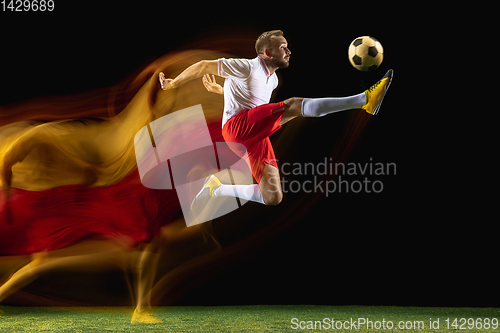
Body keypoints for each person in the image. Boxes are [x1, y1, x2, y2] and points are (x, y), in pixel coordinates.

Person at [159, 30, 393, 210]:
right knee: (292, 105)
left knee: (272, 197)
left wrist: (222, 92)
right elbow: (202, 66)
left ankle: (217, 189)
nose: (288, 51)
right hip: (236, 129)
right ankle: (364, 100)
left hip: (251, 134)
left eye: (287, 47)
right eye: (283, 47)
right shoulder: (247, 66)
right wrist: (173, 83)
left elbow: (256, 107)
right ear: (267, 52)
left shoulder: (272, 81)